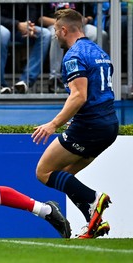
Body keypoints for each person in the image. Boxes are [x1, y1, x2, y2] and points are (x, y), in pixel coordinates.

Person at [32, 9, 118, 239]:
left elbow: (78, 95)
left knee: (43, 172)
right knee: (65, 176)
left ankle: (93, 200)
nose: (55, 37)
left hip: (90, 126)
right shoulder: (99, 51)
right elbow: (98, 91)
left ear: (63, 30)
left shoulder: (73, 55)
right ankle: (94, 221)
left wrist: (53, 124)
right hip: (108, 125)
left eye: (55, 32)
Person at [38, 2, 110, 93]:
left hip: (79, 26)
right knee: (55, 35)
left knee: (101, 34)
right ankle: (55, 78)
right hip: (55, 25)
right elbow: (41, 19)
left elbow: (89, 16)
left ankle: (100, 73)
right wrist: (64, 23)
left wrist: (82, 20)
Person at [0, 4, 51, 94]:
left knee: (45, 34)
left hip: (20, 28)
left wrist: (29, 25)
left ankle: (25, 81)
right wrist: (16, 24)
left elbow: (32, 7)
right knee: (2, 33)